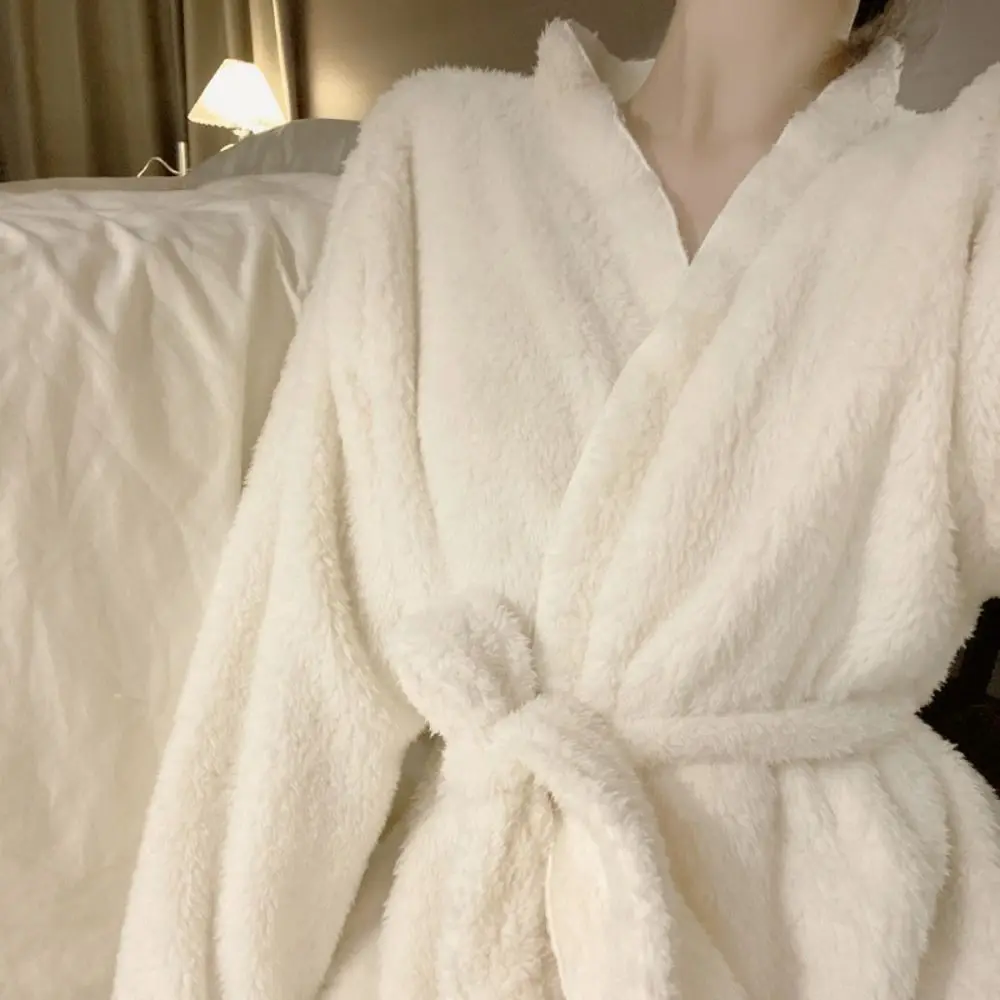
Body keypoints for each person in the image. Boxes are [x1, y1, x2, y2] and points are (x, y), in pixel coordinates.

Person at [114, 2, 1000, 998]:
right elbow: (297, 660)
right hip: (485, 931)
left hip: (846, 939)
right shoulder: (439, 157)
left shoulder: (962, 195)